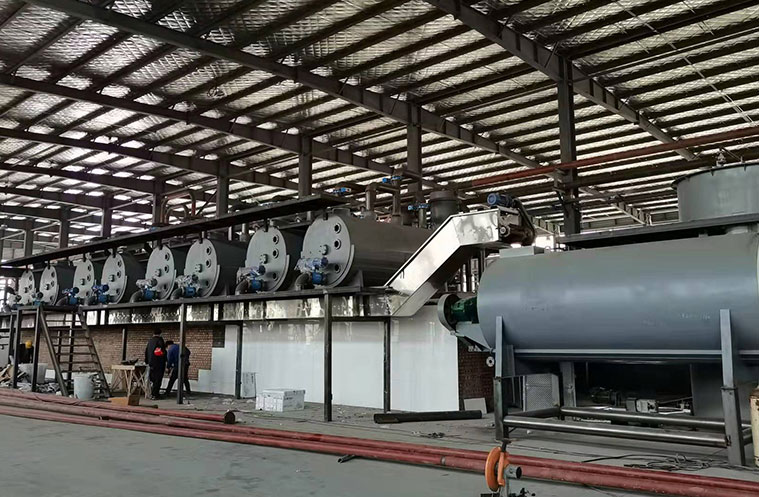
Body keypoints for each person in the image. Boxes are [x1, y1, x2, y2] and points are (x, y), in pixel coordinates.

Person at [144, 329, 166, 399]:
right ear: (160, 333)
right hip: (158, 363)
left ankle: (150, 393)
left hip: (150, 363)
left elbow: (146, 351)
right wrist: (164, 359)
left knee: (152, 379)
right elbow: (161, 352)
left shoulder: (150, 341)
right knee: (158, 379)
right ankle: (155, 394)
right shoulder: (160, 340)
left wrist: (147, 361)